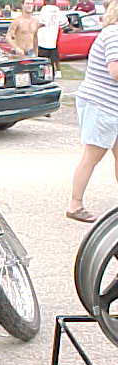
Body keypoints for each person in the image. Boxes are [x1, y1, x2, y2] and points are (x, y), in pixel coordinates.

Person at [67, 0, 118, 222]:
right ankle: (75, 204)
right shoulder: (114, 34)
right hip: (102, 104)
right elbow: (115, 71)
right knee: (92, 155)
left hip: (110, 105)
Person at [37, 0, 68, 78]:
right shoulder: (57, 10)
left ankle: (44, 75)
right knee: (53, 60)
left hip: (43, 41)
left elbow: (40, 23)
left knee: (43, 62)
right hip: (53, 41)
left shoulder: (44, 9)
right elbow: (64, 23)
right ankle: (55, 74)